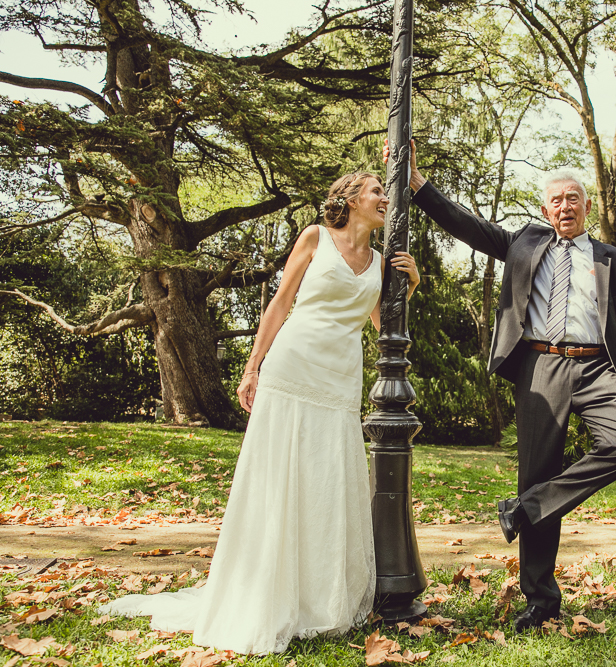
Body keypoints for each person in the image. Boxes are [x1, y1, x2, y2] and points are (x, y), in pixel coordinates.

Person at [100, 173, 420, 654]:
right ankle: (266, 589)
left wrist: (408, 286)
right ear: (351, 199)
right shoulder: (315, 237)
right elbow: (280, 302)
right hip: (293, 366)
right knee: (280, 476)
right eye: (378, 190)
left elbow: (379, 324)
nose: (385, 199)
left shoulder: (381, 262)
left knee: (325, 480)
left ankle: (319, 598)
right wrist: (252, 368)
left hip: (338, 380)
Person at [390, 141, 616, 632]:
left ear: (587, 206)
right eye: (556, 200)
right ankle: (541, 600)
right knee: (537, 472)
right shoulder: (524, 243)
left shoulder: (614, 261)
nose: (565, 207)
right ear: (544, 209)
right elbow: (467, 227)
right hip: (541, 367)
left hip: (598, 369)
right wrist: (417, 185)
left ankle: (525, 510)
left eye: (573, 198)